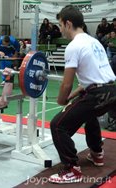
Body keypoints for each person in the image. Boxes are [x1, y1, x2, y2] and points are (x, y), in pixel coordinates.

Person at [48, 5, 116, 184]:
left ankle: (72, 169)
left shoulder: (73, 46)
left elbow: (66, 83)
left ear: (68, 23)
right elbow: (93, 78)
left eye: (60, 25)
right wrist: (73, 97)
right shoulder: (94, 42)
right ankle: (97, 153)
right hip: (112, 91)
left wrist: (62, 99)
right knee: (89, 113)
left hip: (97, 95)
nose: (60, 29)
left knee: (57, 125)